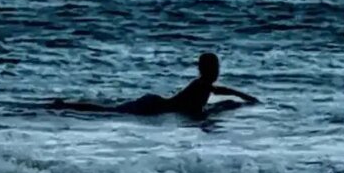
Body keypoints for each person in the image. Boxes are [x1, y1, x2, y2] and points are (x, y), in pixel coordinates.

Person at [51, 52, 258, 118]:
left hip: (157, 105)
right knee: (108, 111)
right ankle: (67, 105)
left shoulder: (203, 85)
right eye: (215, 67)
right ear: (206, 69)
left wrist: (241, 100)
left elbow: (222, 92)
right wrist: (246, 100)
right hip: (155, 106)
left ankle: (69, 104)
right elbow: (223, 92)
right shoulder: (202, 85)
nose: (218, 71)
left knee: (111, 110)